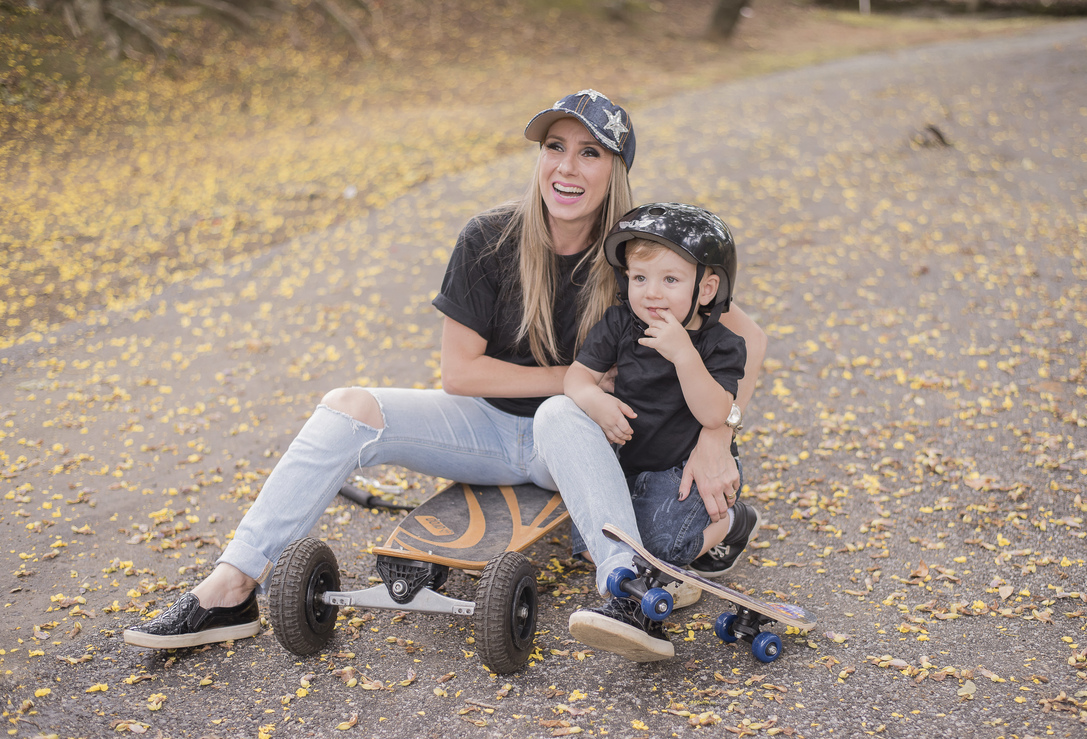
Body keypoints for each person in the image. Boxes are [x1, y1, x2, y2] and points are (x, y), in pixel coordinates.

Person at [123, 88, 766, 661]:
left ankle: (623, 586)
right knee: (348, 406)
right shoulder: (490, 238)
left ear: (616, 169)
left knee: (565, 421)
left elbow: (747, 338)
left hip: (581, 441)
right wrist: (575, 380)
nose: (567, 167)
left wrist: (716, 438)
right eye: (554, 147)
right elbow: (460, 374)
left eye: (590, 153)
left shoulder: (639, 254)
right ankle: (232, 587)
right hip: (490, 429)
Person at [550, 203, 758, 662]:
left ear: (706, 289)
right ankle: (653, 571)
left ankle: (731, 521)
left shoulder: (721, 344)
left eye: (670, 280)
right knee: (590, 542)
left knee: (664, 544)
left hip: (683, 468)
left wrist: (684, 355)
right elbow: (576, 379)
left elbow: (715, 413)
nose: (651, 293)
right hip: (631, 462)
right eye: (640, 278)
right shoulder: (622, 322)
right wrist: (596, 401)